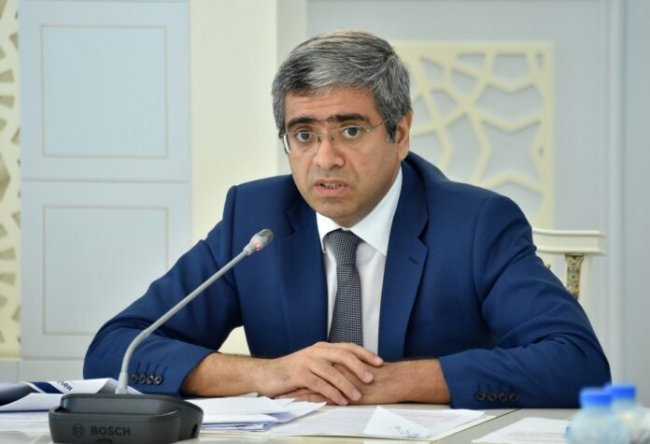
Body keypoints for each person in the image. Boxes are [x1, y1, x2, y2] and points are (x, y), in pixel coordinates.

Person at [83, 30, 610, 408]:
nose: (326, 158)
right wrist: (266, 373)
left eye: (351, 131)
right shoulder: (256, 220)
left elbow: (577, 363)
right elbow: (115, 351)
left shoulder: (476, 224)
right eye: (304, 135)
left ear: (400, 134)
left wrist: (393, 381)